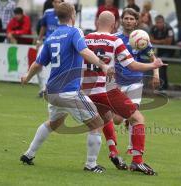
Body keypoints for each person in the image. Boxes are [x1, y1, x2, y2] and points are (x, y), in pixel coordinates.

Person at [20, 2, 114, 173]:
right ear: (73, 15)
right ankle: (91, 165)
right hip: (68, 91)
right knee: (97, 123)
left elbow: (38, 64)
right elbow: (84, 51)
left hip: (52, 92)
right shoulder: (75, 32)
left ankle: (29, 154)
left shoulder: (52, 36)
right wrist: (104, 65)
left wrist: (27, 77)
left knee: (54, 123)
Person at [82, 11, 165, 175]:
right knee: (137, 118)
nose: (127, 21)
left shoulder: (85, 38)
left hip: (87, 89)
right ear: (114, 24)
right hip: (109, 87)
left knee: (102, 120)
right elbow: (132, 65)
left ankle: (108, 154)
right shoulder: (115, 39)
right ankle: (137, 161)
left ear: (97, 21)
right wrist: (154, 66)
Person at [114, 8, 160, 154]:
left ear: (136, 21)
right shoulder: (115, 38)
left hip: (135, 82)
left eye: (132, 19)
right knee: (117, 119)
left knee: (134, 115)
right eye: (126, 18)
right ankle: (118, 128)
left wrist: (156, 74)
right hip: (117, 83)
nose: (129, 21)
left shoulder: (141, 38)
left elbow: (154, 59)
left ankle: (131, 148)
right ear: (121, 20)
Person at [36, 0, 63, 98]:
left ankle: (51, 89)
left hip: (60, 45)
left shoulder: (65, 13)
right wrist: (39, 40)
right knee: (38, 65)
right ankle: (43, 88)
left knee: (55, 68)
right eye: (55, 2)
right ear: (52, 3)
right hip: (47, 43)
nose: (57, 4)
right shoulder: (47, 13)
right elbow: (43, 27)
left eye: (59, 2)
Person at [150, 15, 175, 90]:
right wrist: (163, 41)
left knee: (161, 67)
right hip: (159, 50)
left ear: (163, 22)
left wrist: (156, 42)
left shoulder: (169, 28)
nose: (159, 24)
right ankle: (162, 86)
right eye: (157, 22)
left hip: (168, 51)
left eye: (160, 22)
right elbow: (150, 40)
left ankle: (163, 86)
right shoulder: (153, 28)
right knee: (160, 67)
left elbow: (169, 42)